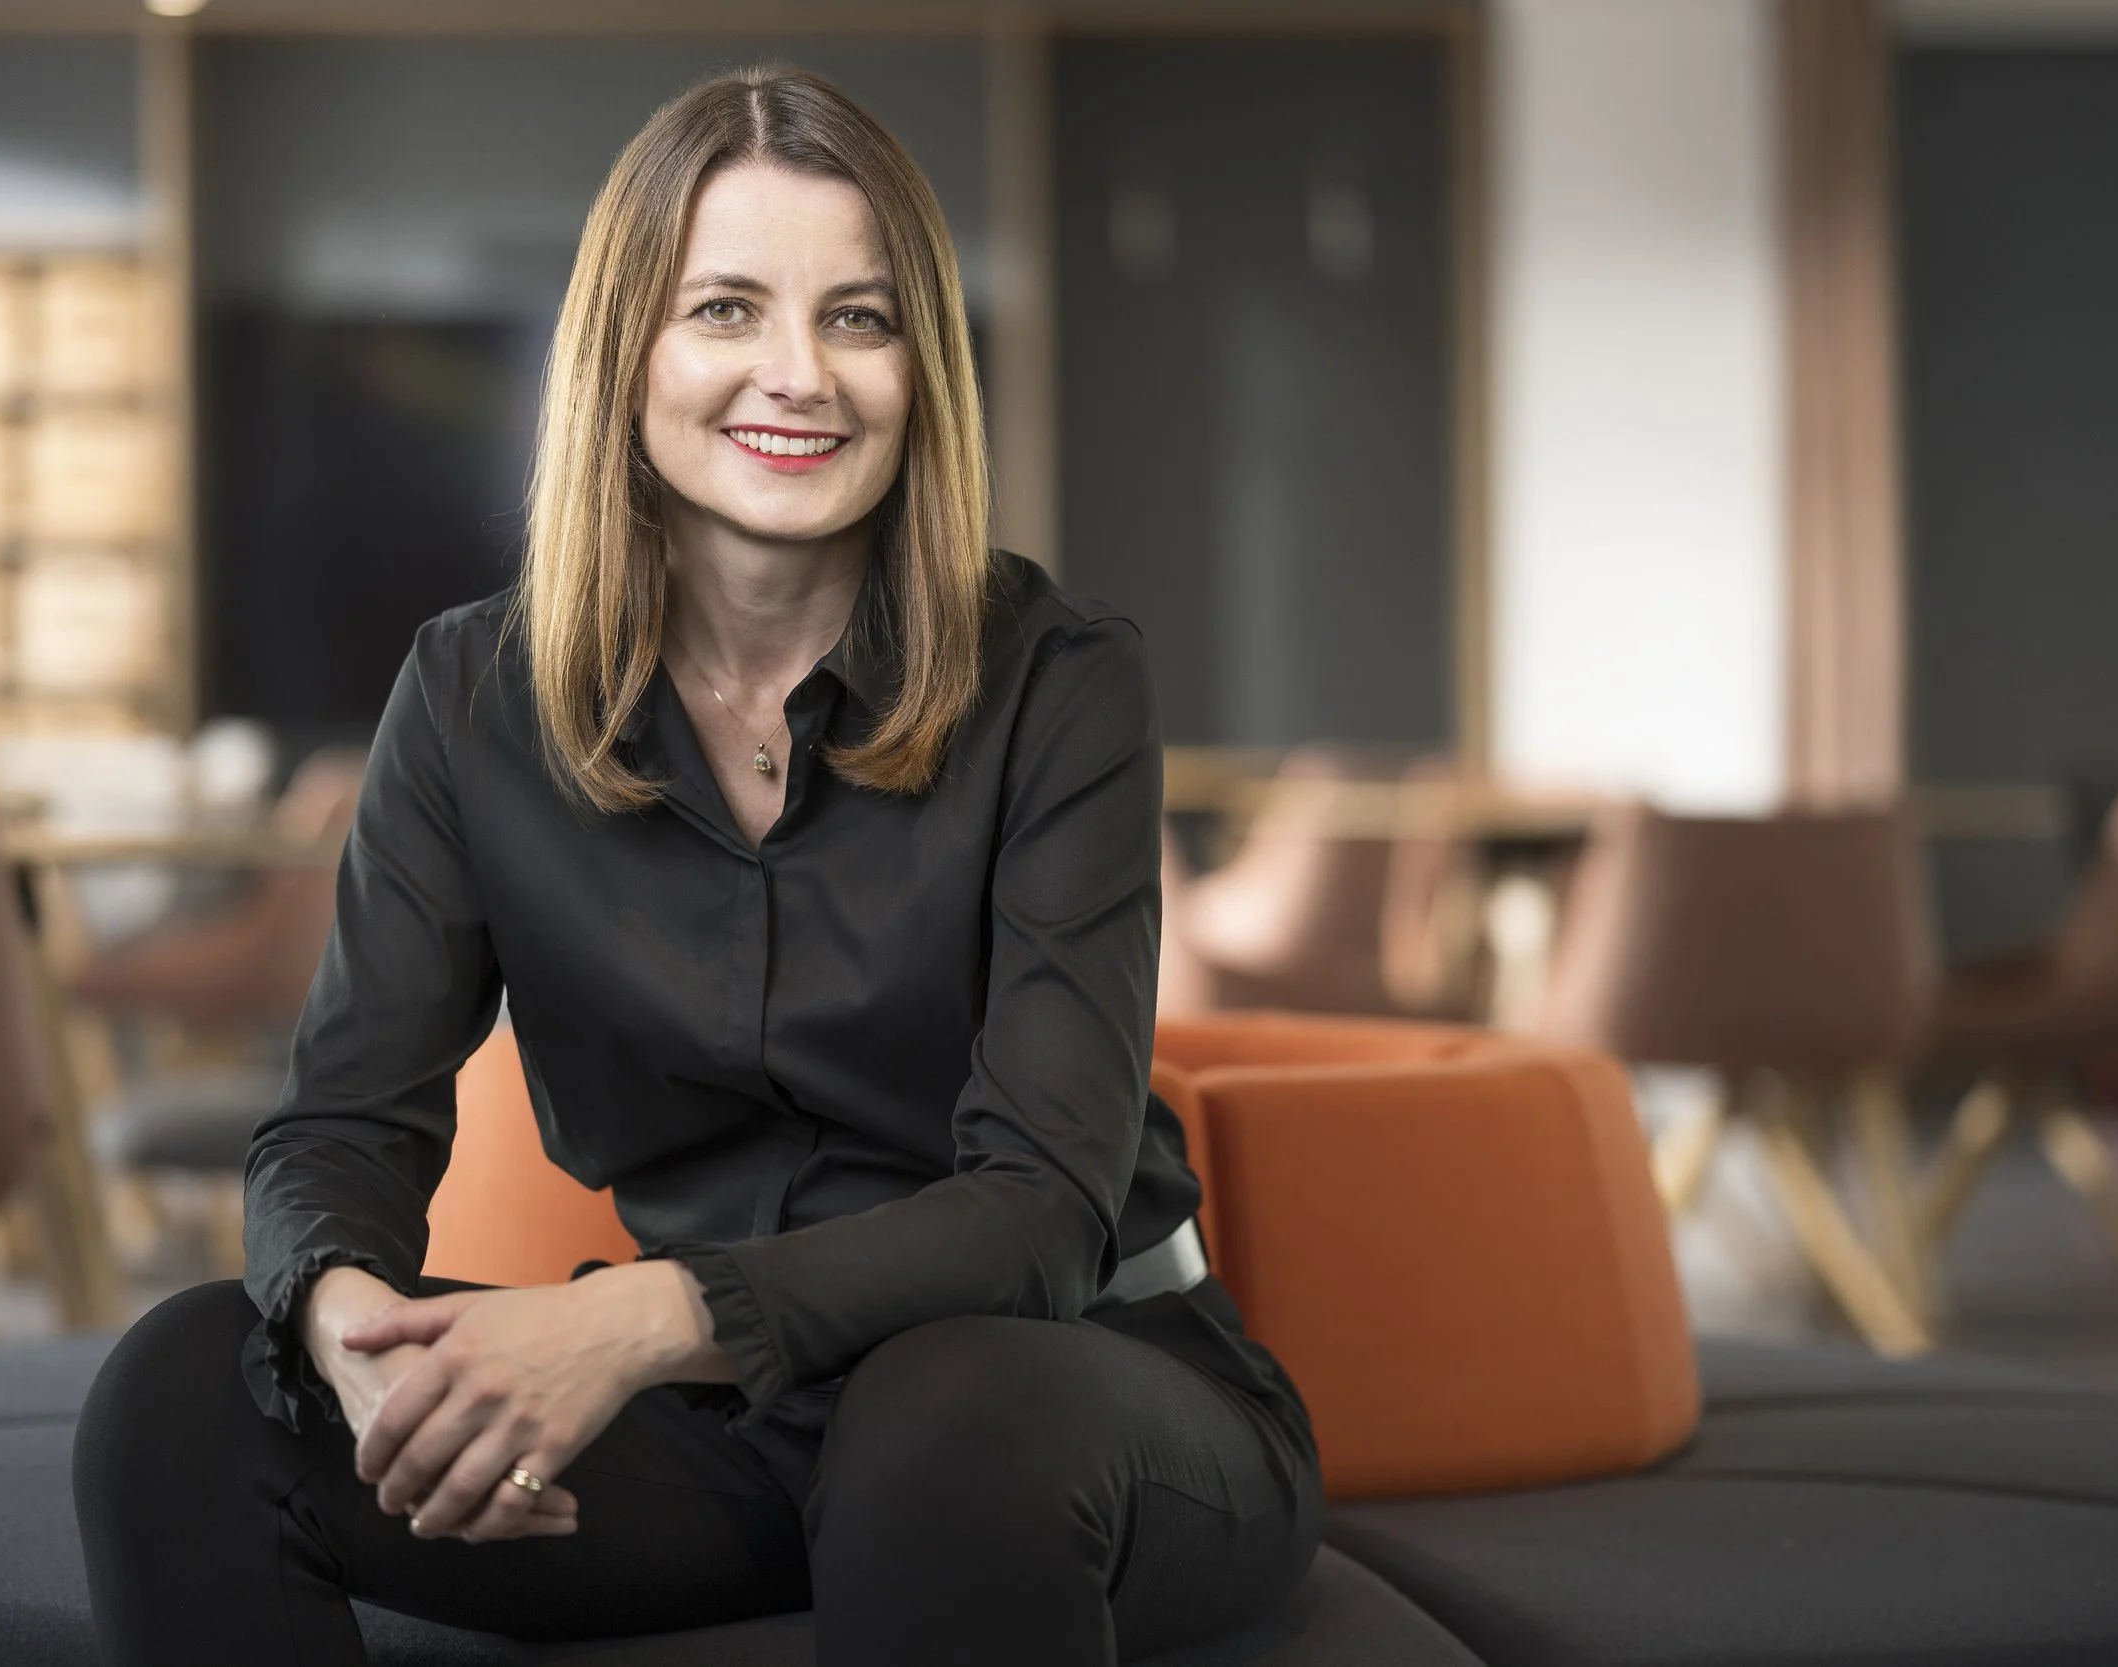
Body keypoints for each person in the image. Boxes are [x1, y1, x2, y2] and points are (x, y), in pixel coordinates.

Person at [74, 65, 1322, 1667]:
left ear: (922, 368)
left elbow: (1036, 1210)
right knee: (185, 1391)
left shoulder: (1060, 680)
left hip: (1075, 1384)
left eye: (860, 319)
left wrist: (634, 1318)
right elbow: (337, 1123)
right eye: (726, 309)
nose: (798, 374)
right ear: (628, 355)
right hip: (728, 1431)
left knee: (942, 1423)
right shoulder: (468, 696)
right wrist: (352, 1328)